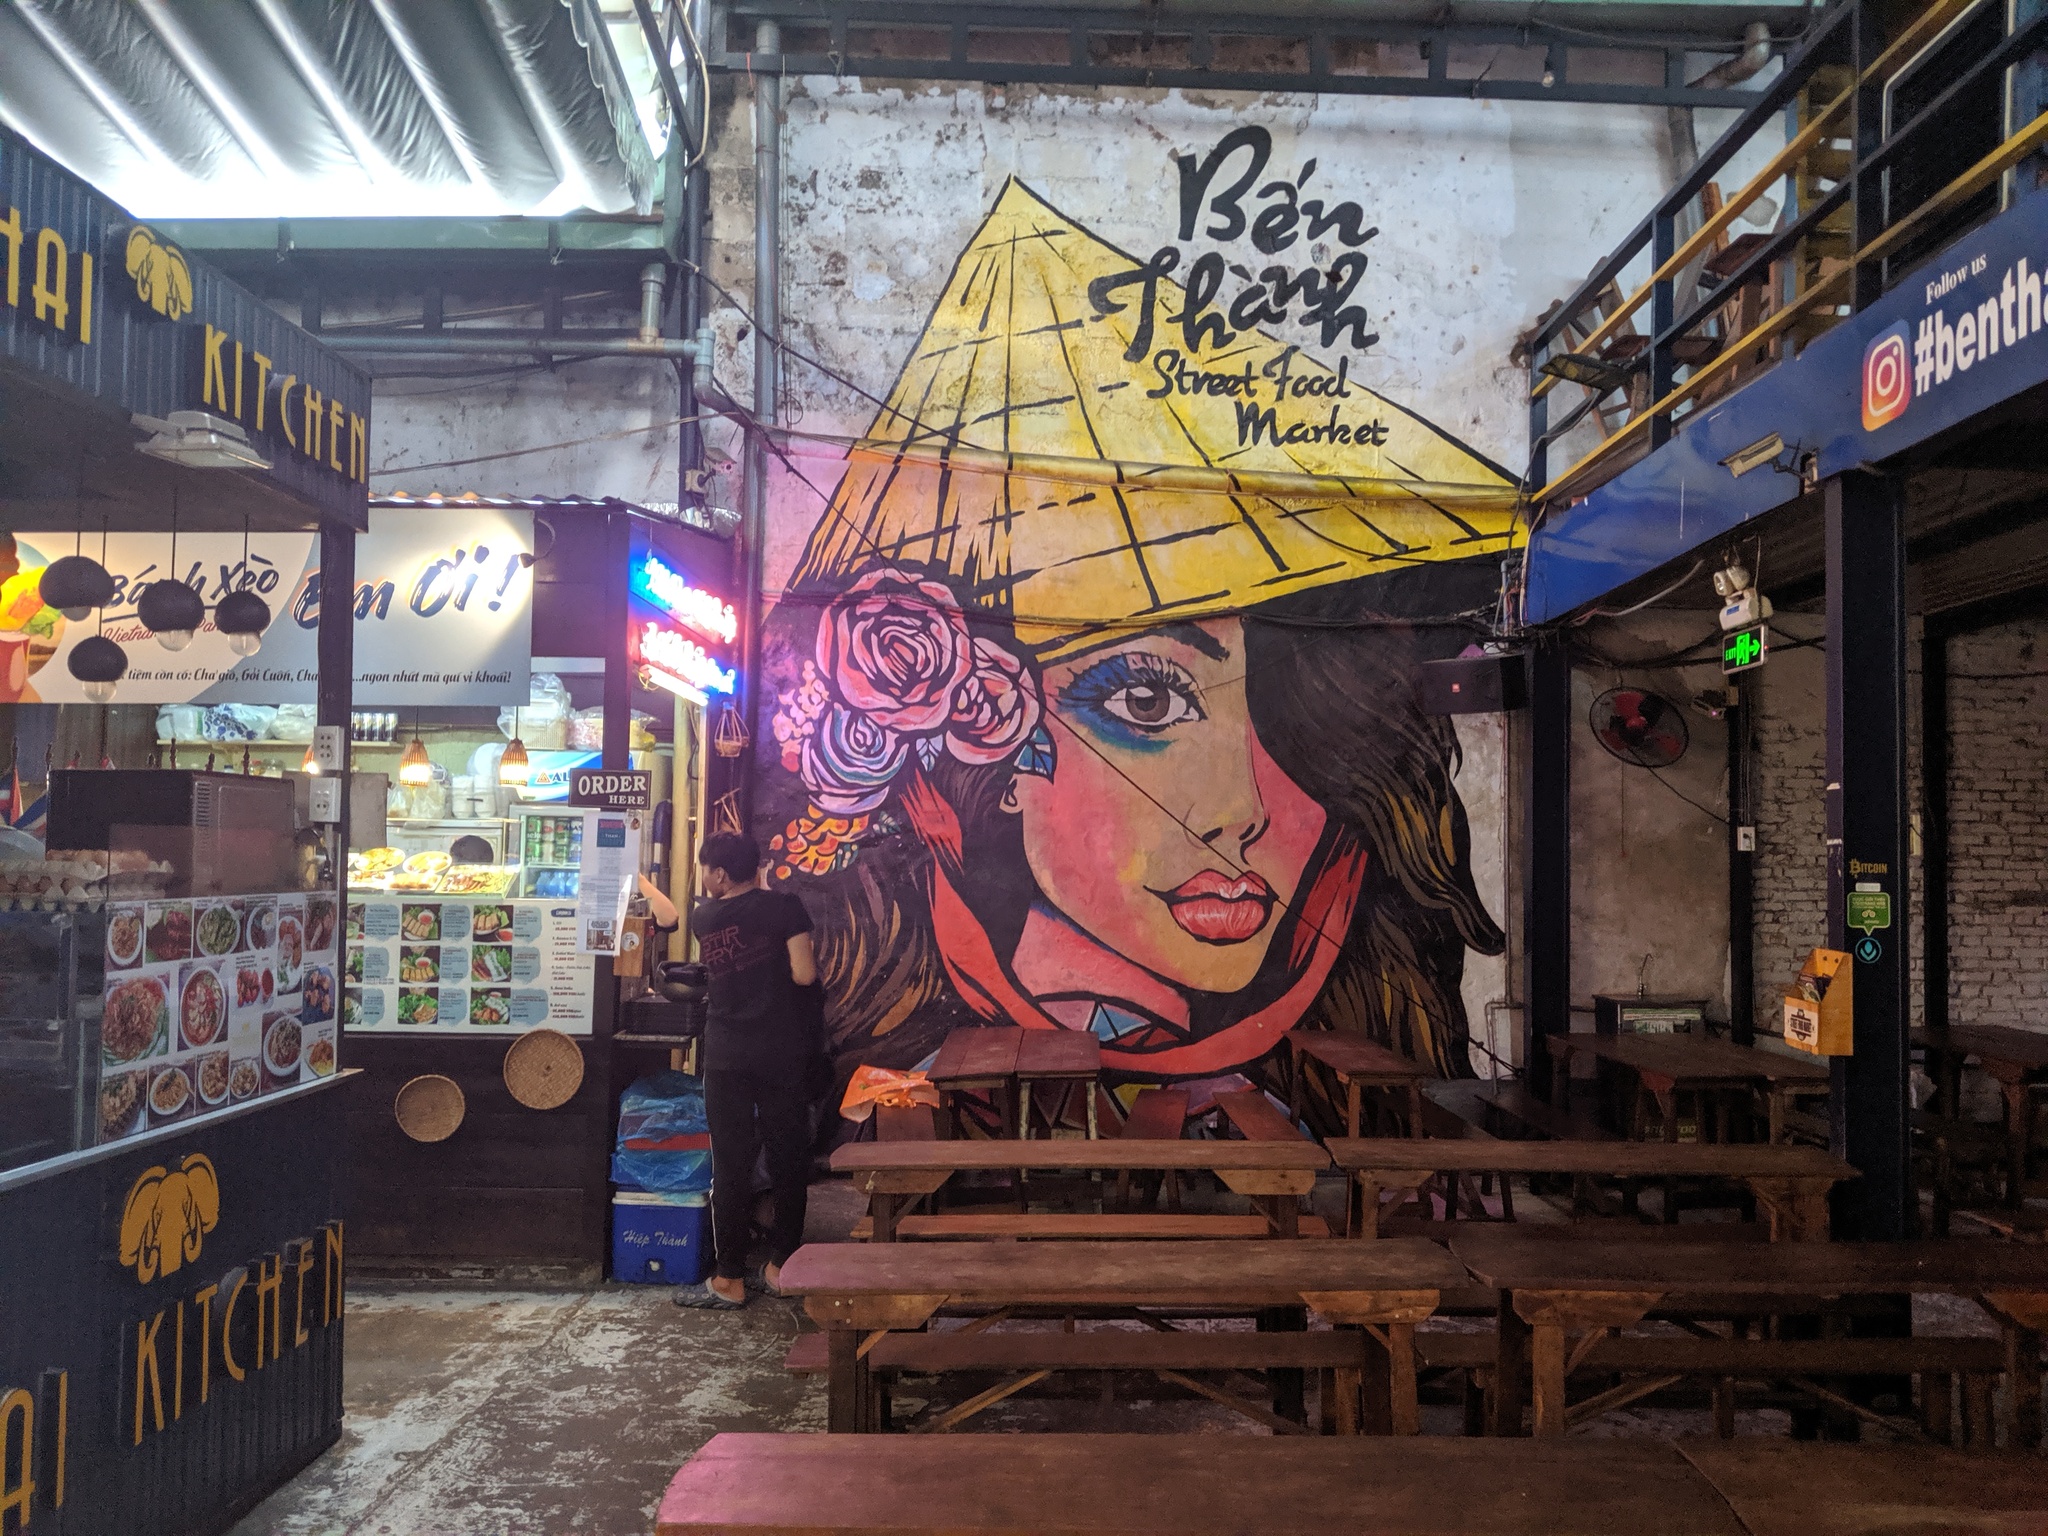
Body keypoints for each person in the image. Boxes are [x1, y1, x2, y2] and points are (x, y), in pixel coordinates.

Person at [753, 180, 1511, 1089]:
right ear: (995, 763)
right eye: (1146, 699)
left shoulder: (1367, 1011)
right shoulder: (915, 1063)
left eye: (1293, 712)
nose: (1242, 812)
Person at [673, 830, 818, 1310]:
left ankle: (729, 1277)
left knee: (730, 1164)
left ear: (719, 874)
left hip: (727, 1054)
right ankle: (781, 1268)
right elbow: (804, 974)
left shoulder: (704, 918)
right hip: (782, 1052)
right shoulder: (786, 908)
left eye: (705, 869)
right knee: (787, 1158)